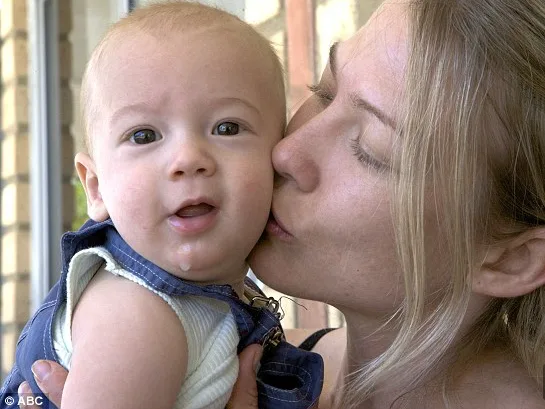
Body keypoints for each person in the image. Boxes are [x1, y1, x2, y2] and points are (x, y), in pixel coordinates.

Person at [15, 0, 545, 407]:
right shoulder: (238, 348)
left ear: (509, 256)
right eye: (325, 89)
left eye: (371, 150)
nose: (287, 150)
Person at [0, 2, 325, 409]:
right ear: (97, 189)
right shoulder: (137, 321)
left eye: (227, 127)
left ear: (276, 161)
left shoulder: (205, 302)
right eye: (144, 135)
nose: (188, 158)